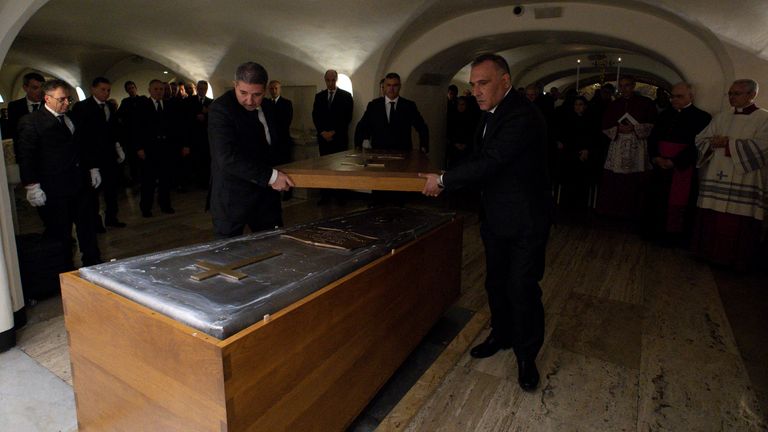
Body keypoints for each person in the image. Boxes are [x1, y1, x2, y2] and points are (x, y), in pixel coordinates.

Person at [420, 54, 552, 392]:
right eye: (472, 84)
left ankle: (526, 356)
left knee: (522, 288)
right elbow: (477, 157)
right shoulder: (490, 113)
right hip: (495, 216)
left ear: (505, 81)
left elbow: (493, 162)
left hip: (525, 221)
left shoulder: (521, 115)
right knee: (496, 282)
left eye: (483, 83)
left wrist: (445, 180)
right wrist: (443, 172)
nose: (475, 91)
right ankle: (502, 334)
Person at [15, 79, 102, 267]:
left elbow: (84, 146)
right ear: (47, 98)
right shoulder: (32, 122)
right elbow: (26, 156)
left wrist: (93, 168)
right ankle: (65, 269)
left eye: (68, 99)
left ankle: (93, 262)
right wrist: (32, 186)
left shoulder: (72, 117)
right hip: (55, 188)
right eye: (61, 99)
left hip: (80, 183)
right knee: (60, 232)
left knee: (87, 226)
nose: (66, 103)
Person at [208, 61, 294, 238]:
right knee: (227, 257)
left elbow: (276, 146)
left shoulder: (270, 108)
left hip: (266, 199)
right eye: (243, 93)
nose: (249, 100)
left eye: (257, 95)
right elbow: (227, 157)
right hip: (232, 198)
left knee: (273, 249)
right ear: (235, 85)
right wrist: (272, 176)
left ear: (266, 90)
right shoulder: (221, 109)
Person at [692, 79, 768, 270]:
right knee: (712, 218)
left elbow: (763, 148)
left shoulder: (764, 118)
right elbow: (701, 139)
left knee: (737, 223)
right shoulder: (721, 116)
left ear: (752, 95)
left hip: (744, 177)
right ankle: (706, 253)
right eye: (730, 93)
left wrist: (729, 143)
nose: (732, 98)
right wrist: (712, 142)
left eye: (737, 94)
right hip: (716, 173)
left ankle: (734, 261)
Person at [643, 82, 711, 244]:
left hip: (682, 168)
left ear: (691, 97)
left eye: (679, 96)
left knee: (679, 202)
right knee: (657, 199)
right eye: (672, 96)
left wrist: (675, 162)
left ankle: (674, 237)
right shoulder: (664, 115)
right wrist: (655, 157)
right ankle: (654, 232)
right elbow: (653, 139)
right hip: (660, 165)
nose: (674, 100)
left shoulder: (702, 117)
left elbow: (699, 146)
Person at [597, 76, 656, 219]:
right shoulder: (614, 104)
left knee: (636, 179)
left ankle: (636, 212)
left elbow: (653, 125)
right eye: (621, 86)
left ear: (633, 85)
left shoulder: (645, 103)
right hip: (618, 145)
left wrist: (636, 128)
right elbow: (605, 126)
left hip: (638, 146)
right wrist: (617, 129)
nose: (624, 89)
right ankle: (615, 212)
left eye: (627, 85)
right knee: (617, 180)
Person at [72, 77, 127, 230]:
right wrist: (90, 164)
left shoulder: (109, 106)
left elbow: (113, 129)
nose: (106, 93)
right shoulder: (82, 107)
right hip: (92, 157)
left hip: (109, 155)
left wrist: (118, 146)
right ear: (93, 89)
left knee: (111, 189)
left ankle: (111, 217)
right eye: (102, 89)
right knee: (93, 192)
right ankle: (95, 222)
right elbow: (81, 136)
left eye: (108, 90)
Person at [134, 79, 184, 217]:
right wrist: (139, 148)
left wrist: (177, 147)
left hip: (166, 150)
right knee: (148, 181)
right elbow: (136, 129)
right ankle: (146, 207)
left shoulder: (169, 106)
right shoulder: (142, 106)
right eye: (156, 89)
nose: (159, 92)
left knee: (165, 180)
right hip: (149, 150)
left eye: (161, 89)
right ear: (149, 90)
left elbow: (175, 129)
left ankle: (165, 204)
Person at [354, 72, 429, 153]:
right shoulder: (374, 105)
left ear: (400, 86)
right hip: (379, 152)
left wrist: (423, 147)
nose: (391, 89)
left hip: (403, 153)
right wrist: (358, 146)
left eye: (395, 85)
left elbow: (422, 127)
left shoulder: (409, 106)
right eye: (389, 85)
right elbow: (362, 126)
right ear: (384, 87)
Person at [312, 69, 353, 156]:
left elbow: (347, 117)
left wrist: (333, 132)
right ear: (325, 80)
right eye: (328, 80)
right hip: (323, 139)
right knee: (324, 165)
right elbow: (315, 116)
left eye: (333, 80)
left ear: (336, 79)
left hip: (339, 138)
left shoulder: (346, 96)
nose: (330, 83)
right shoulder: (319, 96)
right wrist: (322, 132)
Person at [184, 80, 213, 188]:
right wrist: (200, 114)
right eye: (200, 88)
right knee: (195, 160)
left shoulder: (211, 102)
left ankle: (205, 182)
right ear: (197, 88)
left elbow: (214, 120)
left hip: (206, 137)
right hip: (193, 136)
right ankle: (196, 181)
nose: (202, 90)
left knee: (206, 160)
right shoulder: (189, 101)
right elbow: (186, 120)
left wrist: (205, 115)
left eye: (204, 89)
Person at [7, 72, 45, 142]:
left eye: (42, 87)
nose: (40, 92)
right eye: (35, 88)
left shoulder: (50, 105)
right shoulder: (14, 106)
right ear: (25, 88)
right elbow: (13, 131)